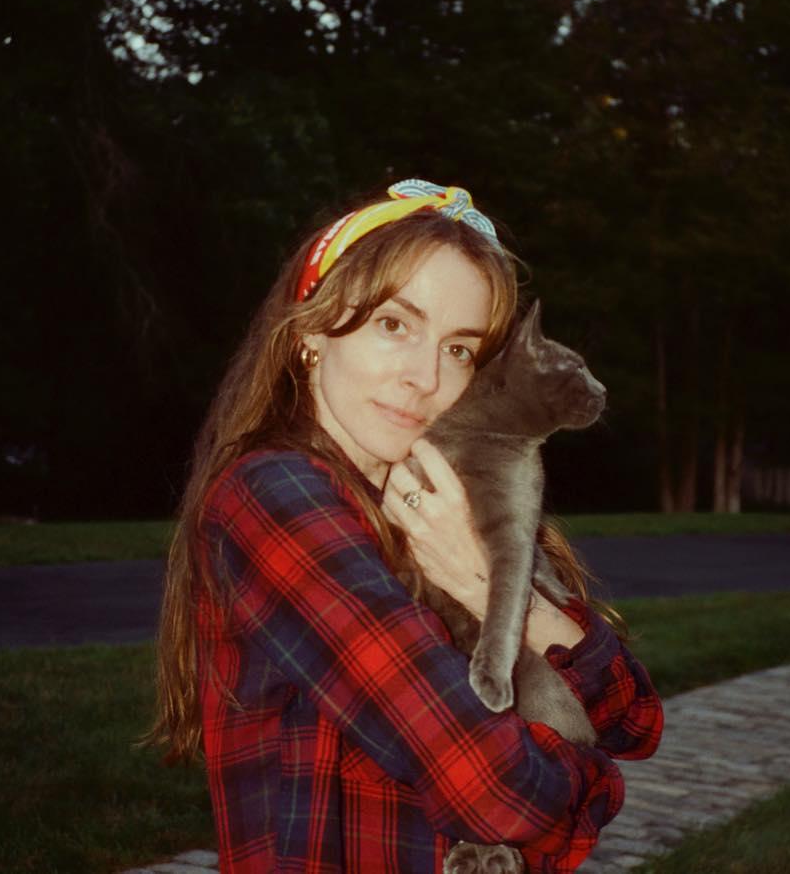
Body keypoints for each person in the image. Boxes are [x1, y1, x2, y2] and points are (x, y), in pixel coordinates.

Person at [150, 179, 663, 873]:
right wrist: (591, 780)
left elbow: (632, 717)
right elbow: (494, 791)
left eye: (459, 349)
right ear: (309, 334)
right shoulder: (274, 496)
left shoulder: (441, 501)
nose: (426, 375)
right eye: (395, 324)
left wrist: (487, 586)